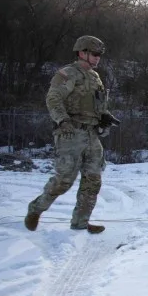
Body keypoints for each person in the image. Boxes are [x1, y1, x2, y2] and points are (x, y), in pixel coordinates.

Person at [24, 35, 118, 234]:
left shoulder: (95, 77)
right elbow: (53, 99)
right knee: (64, 180)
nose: (97, 58)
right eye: (94, 54)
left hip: (91, 135)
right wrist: (62, 120)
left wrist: (104, 116)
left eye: (99, 54)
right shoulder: (68, 74)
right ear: (82, 53)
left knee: (93, 180)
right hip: (71, 133)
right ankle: (36, 209)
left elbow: (98, 105)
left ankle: (80, 222)